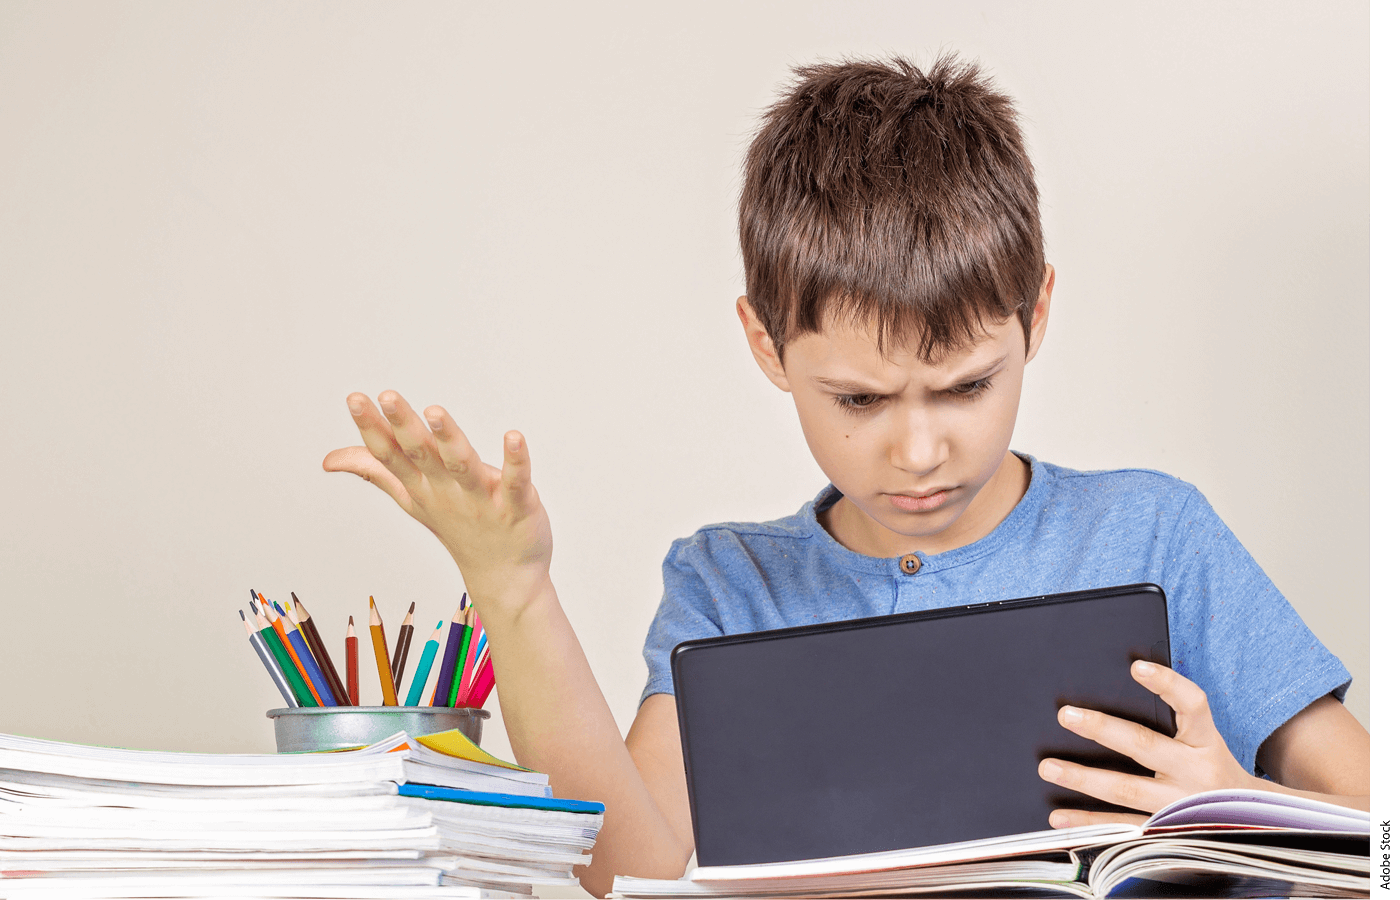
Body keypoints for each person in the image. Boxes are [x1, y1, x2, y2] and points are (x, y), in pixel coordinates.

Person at [322, 55, 1369, 897]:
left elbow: (1364, 824)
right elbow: (628, 873)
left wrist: (1225, 804)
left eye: (964, 388)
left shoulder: (1152, 532)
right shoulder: (733, 585)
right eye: (858, 402)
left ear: (1034, 316)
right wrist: (513, 589)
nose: (917, 452)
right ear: (766, 346)